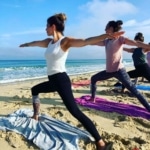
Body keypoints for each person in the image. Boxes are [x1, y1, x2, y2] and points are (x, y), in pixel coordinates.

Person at [19, 13, 124, 150]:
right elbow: (35, 43)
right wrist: (25, 45)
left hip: (62, 80)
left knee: (75, 111)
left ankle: (100, 142)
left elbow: (86, 41)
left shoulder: (65, 41)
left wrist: (104, 36)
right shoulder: (48, 42)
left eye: (47, 26)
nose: (45, 29)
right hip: (52, 80)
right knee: (35, 89)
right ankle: (36, 115)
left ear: (53, 26)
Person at [89, 20, 150, 113]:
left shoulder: (120, 39)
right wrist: (85, 41)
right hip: (109, 71)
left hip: (119, 71)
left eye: (107, 28)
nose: (105, 29)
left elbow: (136, 43)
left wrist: (147, 45)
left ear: (112, 28)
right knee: (93, 78)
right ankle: (93, 98)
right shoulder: (106, 41)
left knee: (134, 91)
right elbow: (93, 42)